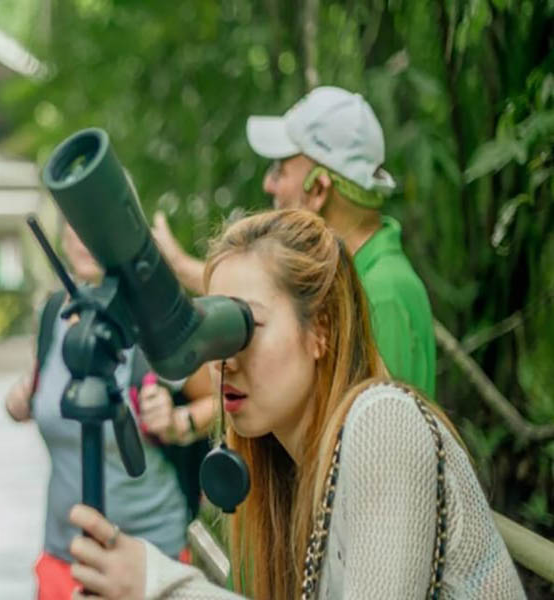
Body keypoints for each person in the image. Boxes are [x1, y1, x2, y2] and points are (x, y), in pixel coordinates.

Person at [65, 209, 524, 599]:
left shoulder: (385, 423)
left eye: (245, 326)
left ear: (319, 329)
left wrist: (160, 584)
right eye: (213, 328)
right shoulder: (292, 468)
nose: (224, 358)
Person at [153, 86, 436, 398]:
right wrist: (178, 265)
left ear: (318, 190)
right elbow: (262, 304)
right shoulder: (350, 275)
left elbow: (382, 434)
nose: (268, 184)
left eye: (281, 169)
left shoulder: (381, 294)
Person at [4, 222, 215, 600]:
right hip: (64, 556)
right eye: (73, 222)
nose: (84, 236)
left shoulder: (155, 320)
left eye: (92, 220)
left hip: (151, 562)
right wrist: (21, 400)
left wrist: (178, 423)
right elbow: (39, 391)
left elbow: (221, 400)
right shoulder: (55, 312)